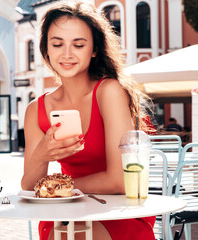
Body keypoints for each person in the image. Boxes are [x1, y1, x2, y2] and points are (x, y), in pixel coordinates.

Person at [21, 1, 155, 239]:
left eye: (79, 44)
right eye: (57, 44)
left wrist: (58, 186)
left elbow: (119, 181)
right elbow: (30, 186)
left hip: (117, 211)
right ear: (46, 50)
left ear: (94, 49)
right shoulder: (35, 109)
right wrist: (42, 155)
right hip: (67, 211)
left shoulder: (109, 91)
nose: (67, 54)